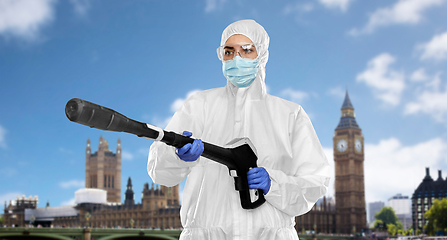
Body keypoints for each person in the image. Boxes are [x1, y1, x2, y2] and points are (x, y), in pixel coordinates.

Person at [148, 19, 330, 240]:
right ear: (221, 56)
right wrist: (177, 156)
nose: (236, 59)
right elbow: (159, 172)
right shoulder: (199, 106)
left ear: (261, 55)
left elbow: (315, 182)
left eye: (246, 50)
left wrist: (274, 184)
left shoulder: (289, 114)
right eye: (229, 51)